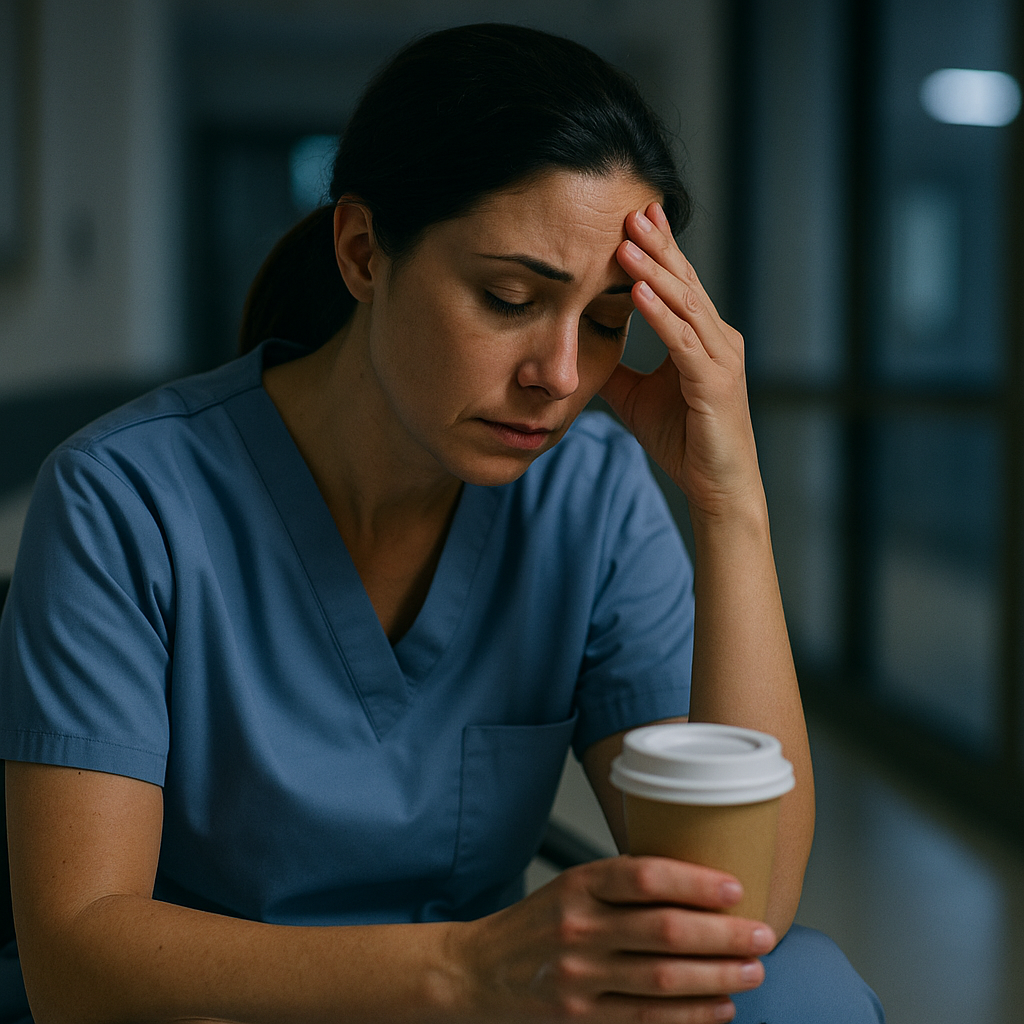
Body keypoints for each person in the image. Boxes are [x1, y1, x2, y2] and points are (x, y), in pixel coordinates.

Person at [0, 23, 884, 1024]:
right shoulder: (124, 500)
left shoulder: (588, 496)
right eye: (509, 297)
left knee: (797, 989)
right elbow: (74, 964)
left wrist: (732, 503)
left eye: (603, 322)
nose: (557, 375)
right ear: (363, 252)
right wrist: (464, 972)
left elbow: (744, 917)